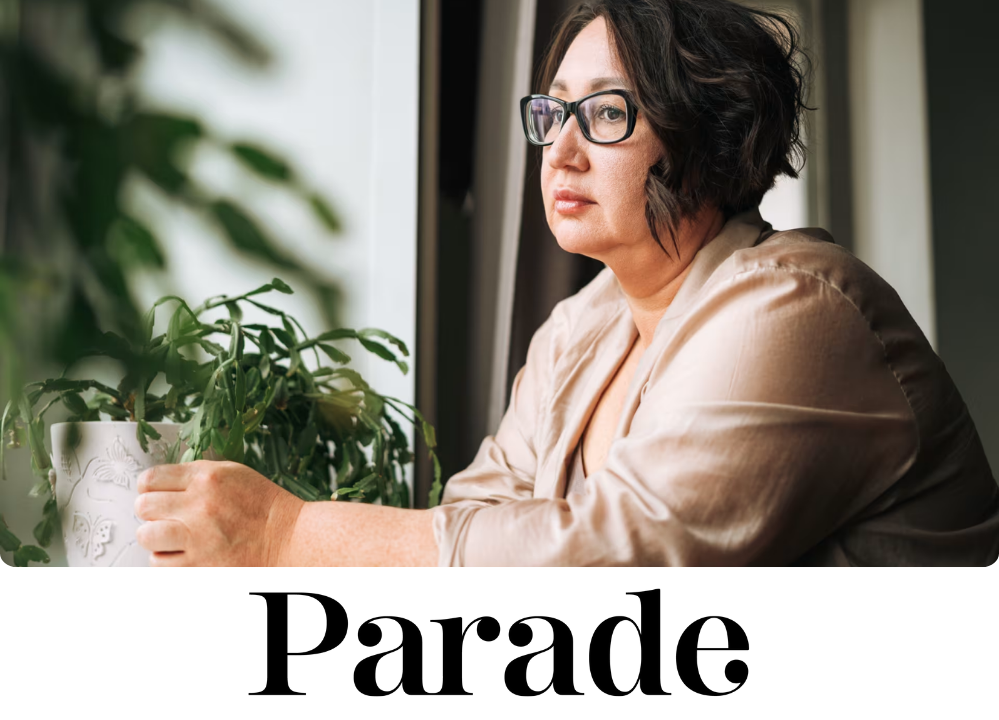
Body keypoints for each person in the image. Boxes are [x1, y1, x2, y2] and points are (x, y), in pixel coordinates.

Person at [133, 0, 999, 567]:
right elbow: (479, 511)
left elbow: (617, 560)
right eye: (551, 112)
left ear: (712, 135)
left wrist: (287, 534)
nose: (561, 149)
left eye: (608, 113)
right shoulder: (581, 325)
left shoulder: (799, 307)